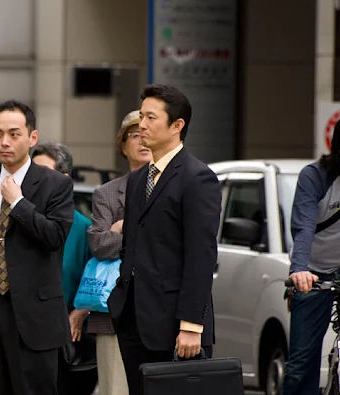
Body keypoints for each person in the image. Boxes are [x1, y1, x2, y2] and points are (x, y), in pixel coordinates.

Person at [107, 84, 222, 395]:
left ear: (177, 126)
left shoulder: (197, 178)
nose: (142, 125)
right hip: (132, 318)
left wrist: (191, 325)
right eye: (141, 116)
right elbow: (131, 245)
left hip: (176, 324)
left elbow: (201, 256)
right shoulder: (136, 179)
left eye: (151, 117)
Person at [0, 100, 74, 395]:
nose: (4, 142)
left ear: (32, 138)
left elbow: (55, 237)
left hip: (34, 310)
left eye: (13, 134)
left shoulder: (55, 184)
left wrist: (19, 203)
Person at [283, 111, 340, 395]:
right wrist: (298, 270)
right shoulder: (316, 177)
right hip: (314, 271)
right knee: (301, 363)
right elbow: (303, 227)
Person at [86, 109, 151, 395]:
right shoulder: (107, 193)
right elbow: (99, 245)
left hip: (161, 309)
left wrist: (124, 228)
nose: (143, 140)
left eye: (147, 133)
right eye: (135, 135)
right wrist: (140, 238)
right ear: (123, 145)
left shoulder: (175, 188)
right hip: (113, 310)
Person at [31, 141, 99, 395]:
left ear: (64, 180)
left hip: (67, 339)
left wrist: (80, 313)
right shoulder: (16, 218)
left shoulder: (83, 228)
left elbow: (96, 280)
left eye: (44, 173)